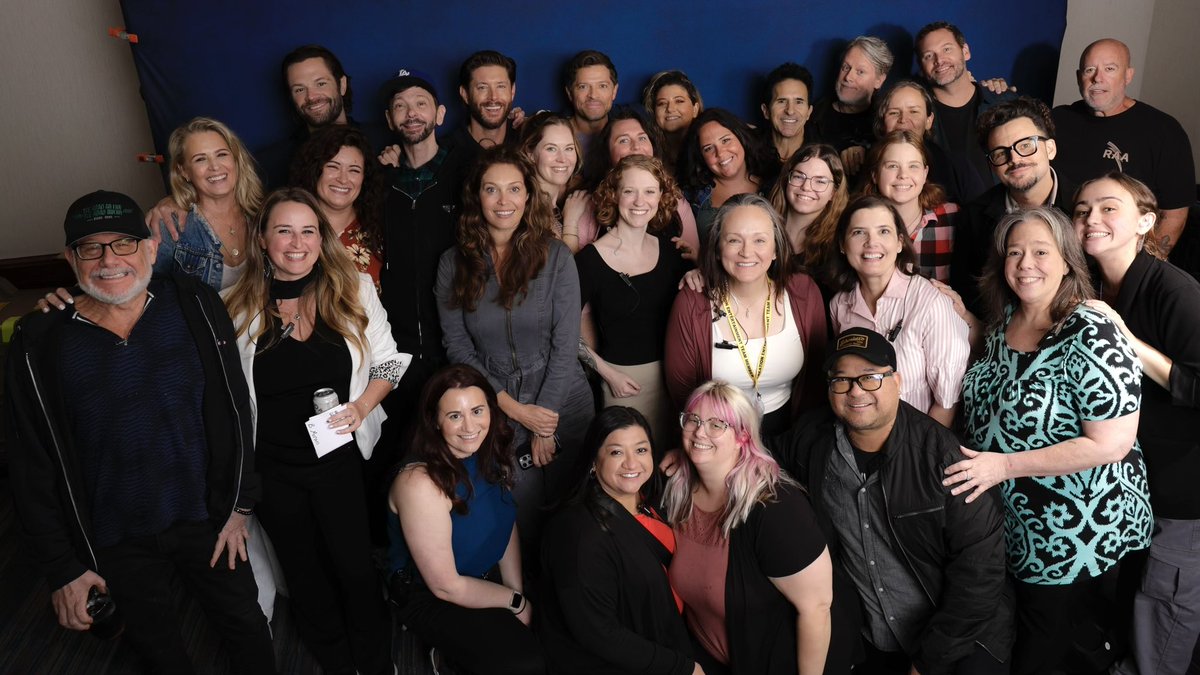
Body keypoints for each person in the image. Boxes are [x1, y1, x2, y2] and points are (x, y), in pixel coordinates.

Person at [6, 190, 275, 674]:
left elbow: (237, 409)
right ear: (70, 258)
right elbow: (31, 467)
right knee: (158, 652)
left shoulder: (194, 303)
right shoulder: (39, 341)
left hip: (207, 519)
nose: (110, 260)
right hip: (112, 536)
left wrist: (240, 504)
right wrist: (64, 567)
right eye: (91, 247)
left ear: (150, 248)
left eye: (124, 244)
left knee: (247, 629)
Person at [947, 206, 1152, 674]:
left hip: (1078, 531)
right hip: (1013, 526)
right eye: (1014, 253)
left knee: (1046, 652)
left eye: (1041, 251)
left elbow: (1111, 443)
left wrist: (1000, 466)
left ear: (1067, 260)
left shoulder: (1092, 330)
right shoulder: (1002, 326)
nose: (1025, 263)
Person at [224, 187, 407, 675]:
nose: (296, 243)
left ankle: (375, 659)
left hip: (339, 460)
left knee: (353, 567)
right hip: (273, 470)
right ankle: (334, 659)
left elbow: (390, 361)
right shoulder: (232, 308)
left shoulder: (353, 288)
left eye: (308, 231)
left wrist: (362, 406)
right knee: (303, 572)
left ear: (321, 238)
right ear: (263, 240)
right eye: (283, 231)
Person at [770, 327, 1012, 674]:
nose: (855, 391)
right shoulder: (813, 441)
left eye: (870, 378)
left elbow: (980, 576)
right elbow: (759, 454)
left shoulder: (945, 460)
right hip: (872, 636)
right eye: (842, 381)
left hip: (959, 638)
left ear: (897, 381)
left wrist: (927, 663)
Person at [1072, 173, 1200, 675]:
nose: (1092, 219)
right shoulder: (1091, 283)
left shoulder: (1176, 291)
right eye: (1082, 210)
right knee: (1128, 599)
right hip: (1132, 482)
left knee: (1164, 603)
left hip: (1184, 487)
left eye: (1108, 208)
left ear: (1146, 221)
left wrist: (1126, 338)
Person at [435, 146, 595, 550]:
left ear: (528, 195)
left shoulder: (556, 256)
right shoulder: (453, 264)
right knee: (521, 522)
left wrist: (548, 419)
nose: (503, 201)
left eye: (514, 189)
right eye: (492, 190)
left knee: (576, 522)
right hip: (499, 410)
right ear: (477, 197)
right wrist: (514, 409)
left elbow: (564, 344)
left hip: (566, 403)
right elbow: (457, 346)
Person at [665, 381, 833, 675]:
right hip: (702, 660)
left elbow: (817, 608)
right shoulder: (676, 491)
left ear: (743, 435)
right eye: (693, 419)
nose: (700, 431)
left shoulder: (776, 507)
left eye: (717, 424)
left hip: (770, 664)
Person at [387, 364, 544, 675]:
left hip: (482, 576)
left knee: (555, 633)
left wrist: (516, 589)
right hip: (434, 594)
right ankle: (448, 658)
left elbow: (505, 521)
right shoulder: (420, 484)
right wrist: (515, 603)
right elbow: (446, 587)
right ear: (434, 421)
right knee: (527, 664)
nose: (469, 426)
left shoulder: (486, 450)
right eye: (455, 416)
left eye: (477, 410)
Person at [540, 407, 699, 675]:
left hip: (670, 636)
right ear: (594, 461)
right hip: (632, 661)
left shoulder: (650, 500)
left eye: (640, 450)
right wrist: (682, 668)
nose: (632, 464)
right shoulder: (581, 536)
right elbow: (599, 634)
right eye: (616, 452)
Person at [665, 194, 827, 436]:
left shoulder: (804, 293)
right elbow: (683, 392)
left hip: (791, 434)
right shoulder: (691, 302)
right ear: (718, 250)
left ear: (775, 249)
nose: (747, 252)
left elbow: (815, 378)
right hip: (717, 436)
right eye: (733, 240)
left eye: (760, 240)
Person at [378, 68, 479, 442]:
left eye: (421, 104)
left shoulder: (467, 173)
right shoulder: (379, 182)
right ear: (389, 120)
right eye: (400, 107)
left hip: (458, 341)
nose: (411, 113)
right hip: (397, 347)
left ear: (439, 114)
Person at [578, 155, 692, 448]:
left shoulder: (671, 251)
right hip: (624, 383)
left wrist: (699, 272)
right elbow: (561, 332)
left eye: (649, 191)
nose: (639, 201)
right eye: (629, 191)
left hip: (675, 377)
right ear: (613, 195)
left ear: (661, 198)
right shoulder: (590, 260)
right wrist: (606, 373)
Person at [826, 196, 969, 427]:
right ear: (843, 245)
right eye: (859, 232)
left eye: (883, 231)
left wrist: (919, 455)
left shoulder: (931, 301)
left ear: (900, 242)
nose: (871, 243)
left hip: (918, 442)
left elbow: (946, 403)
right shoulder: (839, 305)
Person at [1052, 38, 1194, 255]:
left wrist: (1140, 270)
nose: (1098, 78)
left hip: (1124, 261)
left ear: (1128, 75)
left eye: (1110, 69)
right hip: (1059, 254)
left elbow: (1174, 215)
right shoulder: (1057, 120)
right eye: (1089, 70)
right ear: (1079, 77)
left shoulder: (1163, 130)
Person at [952, 97, 1074, 316]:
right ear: (992, 165)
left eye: (1026, 145)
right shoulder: (972, 218)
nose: (1015, 159)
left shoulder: (1084, 207)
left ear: (1050, 149)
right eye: (1000, 153)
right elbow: (969, 297)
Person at [151, 117, 262, 291]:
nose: (215, 167)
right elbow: (148, 293)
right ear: (184, 171)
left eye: (222, 154)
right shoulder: (170, 227)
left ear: (236, 160)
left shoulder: (263, 214)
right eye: (200, 159)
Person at [575, 107, 701, 255]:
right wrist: (570, 224)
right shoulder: (587, 204)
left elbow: (695, 258)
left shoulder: (675, 201)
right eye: (623, 140)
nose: (636, 147)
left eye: (642, 138)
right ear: (607, 152)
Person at [915, 22, 1017, 193]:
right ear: (921, 68)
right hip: (944, 215)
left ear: (965, 51)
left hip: (1004, 213)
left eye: (947, 49)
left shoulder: (1005, 103)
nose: (939, 61)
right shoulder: (918, 117)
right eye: (928, 56)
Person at [290, 125, 384, 294]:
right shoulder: (289, 229)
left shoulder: (379, 230)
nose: (343, 179)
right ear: (316, 170)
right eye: (333, 167)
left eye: (354, 170)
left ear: (364, 178)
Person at [860, 129, 960, 282]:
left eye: (913, 166)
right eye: (892, 166)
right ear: (875, 174)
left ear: (925, 173)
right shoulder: (857, 224)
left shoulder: (953, 217)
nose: (903, 175)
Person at [874, 80, 986, 204]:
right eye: (894, 113)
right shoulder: (864, 162)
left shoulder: (958, 167)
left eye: (914, 111)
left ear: (929, 120)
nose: (903, 120)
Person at [679, 108, 774, 244]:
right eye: (708, 148)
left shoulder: (775, 184)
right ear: (701, 157)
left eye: (725, 140)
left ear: (741, 137)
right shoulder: (691, 196)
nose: (721, 153)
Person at [807, 36, 892, 178]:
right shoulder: (812, 115)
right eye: (846, 67)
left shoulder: (887, 120)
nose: (848, 77)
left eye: (860, 72)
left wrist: (869, 153)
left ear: (879, 80)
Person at [767, 143, 848, 275]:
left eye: (820, 181)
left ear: (833, 193)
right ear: (786, 179)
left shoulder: (837, 247)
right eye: (799, 176)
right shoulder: (762, 226)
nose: (806, 187)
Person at [518, 111, 587, 249]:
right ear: (530, 154)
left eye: (568, 148)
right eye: (551, 149)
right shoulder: (524, 209)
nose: (562, 159)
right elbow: (563, 268)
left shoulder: (557, 207)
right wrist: (571, 223)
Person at [449, 49, 520, 150]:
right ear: (465, 94)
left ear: (512, 91)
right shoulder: (445, 153)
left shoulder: (527, 143)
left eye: (500, 86)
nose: (493, 97)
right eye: (482, 87)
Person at [643, 70, 703, 172]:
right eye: (662, 103)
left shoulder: (707, 149)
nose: (670, 109)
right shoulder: (646, 152)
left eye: (679, 101)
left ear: (695, 109)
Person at [760, 63, 817, 164]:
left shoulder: (822, 156)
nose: (790, 111)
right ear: (766, 111)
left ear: (809, 112)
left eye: (799, 102)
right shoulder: (750, 151)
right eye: (781, 101)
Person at [563, 49, 620, 152]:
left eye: (602, 86)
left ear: (614, 91)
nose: (593, 95)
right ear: (569, 93)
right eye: (583, 86)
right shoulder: (552, 134)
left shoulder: (631, 132)